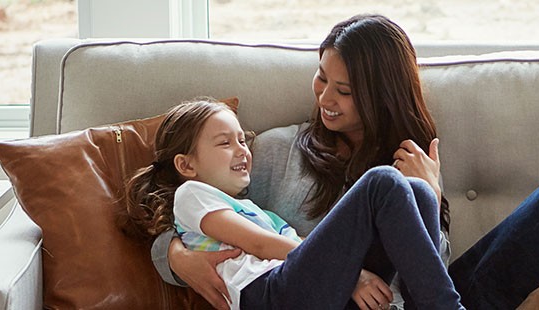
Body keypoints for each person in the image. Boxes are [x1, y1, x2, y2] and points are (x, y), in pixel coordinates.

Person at [153, 14, 451, 310]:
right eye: (321, 78)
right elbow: (193, 208)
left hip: (387, 302)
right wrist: (177, 257)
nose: (325, 98)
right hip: (296, 293)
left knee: (413, 189)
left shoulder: (414, 162)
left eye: (344, 91)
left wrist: (432, 199)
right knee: (383, 182)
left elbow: (429, 274)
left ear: (382, 96)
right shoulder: (274, 151)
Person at [124, 98, 461, 309]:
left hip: (302, 290)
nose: (243, 150)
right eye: (225, 143)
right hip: (267, 295)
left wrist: (349, 277)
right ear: (186, 165)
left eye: (242, 140)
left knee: (415, 189)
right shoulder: (193, 194)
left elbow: (302, 247)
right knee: (381, 181)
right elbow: (257, 242)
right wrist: (350, 272)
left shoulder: (260, 212)